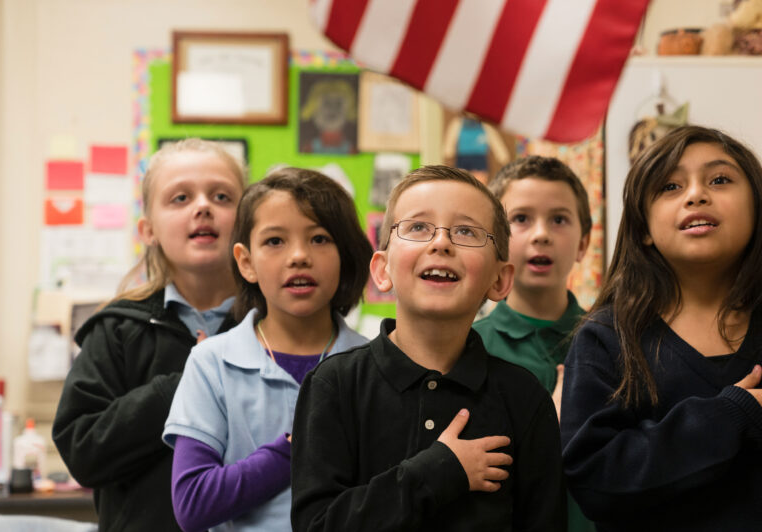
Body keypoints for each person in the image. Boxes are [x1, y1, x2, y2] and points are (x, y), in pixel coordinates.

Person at [560, 125, 762, 531]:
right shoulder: (607, 337)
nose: (696, 195)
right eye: (670, 186)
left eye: (720, 180)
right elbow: (595, 481)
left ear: (758, 210)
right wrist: (727, 419)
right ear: (644, 229)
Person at [290, 165, 566, 531]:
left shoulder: (524, 398)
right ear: (382, 269)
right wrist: (438, 471)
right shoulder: (334, 385)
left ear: (500, 280)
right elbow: (317, 525)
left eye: (466, 231)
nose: (441, 243)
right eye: (418, 227)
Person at [162, 167, 372, 531]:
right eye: (275, 241)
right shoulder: (212, 363)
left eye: (320, 239)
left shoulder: (374, 364)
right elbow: (193, 503)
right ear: (246, 262)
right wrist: (294, 447)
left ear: (346, 255)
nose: (299, 256)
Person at [52, 139, 246, 531]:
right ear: (149, 230)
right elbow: (83, 452)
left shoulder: (277, 327)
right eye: (180, 198)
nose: (203, 206)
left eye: (222, 196)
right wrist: (188, 382)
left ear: (248, 220)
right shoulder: (117, 330)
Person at [473, 156, 594, 532]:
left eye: (559, 219)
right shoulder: (470, 347)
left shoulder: (613, 341)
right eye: (520, 219)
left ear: (583, 243)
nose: (541, 234)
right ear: (494, 240)